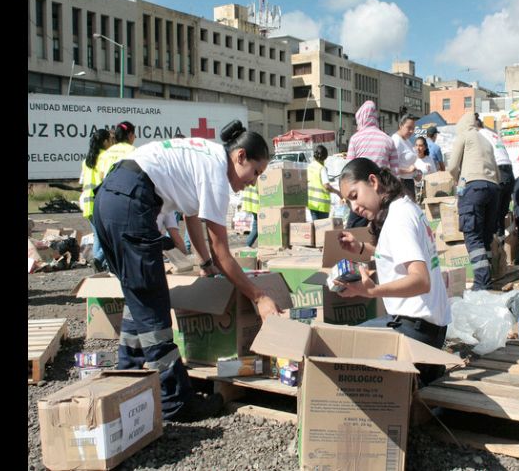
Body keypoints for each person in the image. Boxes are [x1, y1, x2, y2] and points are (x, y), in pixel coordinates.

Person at [92, 120, 284, 422]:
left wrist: (205, 265)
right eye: (256, 172)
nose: (253, 182)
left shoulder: (206, 156)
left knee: (137, 295)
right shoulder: (217, 174)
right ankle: (176, 402)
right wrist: (259, 297)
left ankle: (126, 373)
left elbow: (193, 218)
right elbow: (222, 251)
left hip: (109, 197)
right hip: (132, 202)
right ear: (241, 156)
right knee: (154, 306)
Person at [333, 158, 450, 385]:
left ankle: (419, 372)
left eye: (355, 196)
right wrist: (360, 249)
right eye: (348, 202)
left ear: (373, 182)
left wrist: (372, 291)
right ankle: (424, 370)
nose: (354, 207)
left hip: (417, 332)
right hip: (428, 329)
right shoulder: (404, 207)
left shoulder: (398, 220)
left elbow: (420, 280)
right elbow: (395, 255)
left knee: (341, 347)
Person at [446, 112, 500, 290]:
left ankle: (481, 283)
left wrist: (457, 180)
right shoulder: (486, 140)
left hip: (473, 188)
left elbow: (452, 166)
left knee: (473, 235)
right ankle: (490, 277)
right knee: (485, 236)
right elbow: (497, 170)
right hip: (493, 188)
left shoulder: (464, 136)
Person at [346, 100, 399, 228]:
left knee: (354, 229)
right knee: (382, 228)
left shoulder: (355, 139)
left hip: (361, 192)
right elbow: (395, 172)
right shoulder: (388, 139)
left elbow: (349, 169)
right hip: (382, 193)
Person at [78, 129, 112, 272]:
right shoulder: (105, 157)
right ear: (105, 141)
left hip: (86, 202)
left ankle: (99, 265)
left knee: (98, 235)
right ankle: (98, 260)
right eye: (110, 140)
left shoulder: (86, 160)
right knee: (108, 236)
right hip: (99, 200)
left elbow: (82, 182)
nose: (111, 142)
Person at [477, 116, 515, 238]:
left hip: (498, 171)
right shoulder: (492, 133)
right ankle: (501, 246)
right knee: (501, 215)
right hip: (508, 173)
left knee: (492, 214)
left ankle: (494, 249)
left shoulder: (479, 135)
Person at [391, 114, 421, 201]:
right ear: (401, 125)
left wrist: (415, 173)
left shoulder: (406, 140)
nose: (411, 131)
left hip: (409, 181)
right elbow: (391, 167)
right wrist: (408, 171)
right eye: (409, 128)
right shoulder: (396, 140)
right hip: (400, 183)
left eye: (413, 128)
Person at [307, 144, 342, 221]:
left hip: (311, 203)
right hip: (322, 204)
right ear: (325, 157)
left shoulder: (309, 167)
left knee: (316, 227)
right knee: (322, 228)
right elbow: (326, 186)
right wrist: (338, 192)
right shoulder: (321, 168)